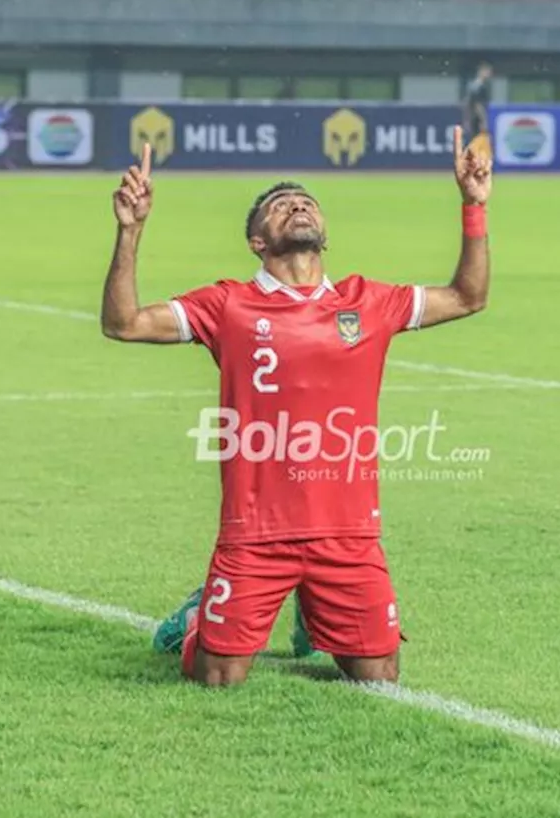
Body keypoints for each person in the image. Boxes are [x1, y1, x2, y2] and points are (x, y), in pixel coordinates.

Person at [101, 128, 491, 686]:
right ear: (257, 241)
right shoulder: (228, 305)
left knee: (378, 677)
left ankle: (312, 607)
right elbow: (123, 323)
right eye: (280, 207)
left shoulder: (368, 301)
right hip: (256, 531)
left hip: (348, 531)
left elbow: (468, 296)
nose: (299, 205)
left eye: (306, 202)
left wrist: (473, 208)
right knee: (217, 678)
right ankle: (198, 615)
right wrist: (130, 231)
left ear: (324, 234)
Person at [462, 62, 494, 158]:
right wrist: (483, 119)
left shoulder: (472, 85)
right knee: (479, 141)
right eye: (487, 72)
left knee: (474, 141)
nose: (489, 74)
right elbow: (478, 105)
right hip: (476, 118)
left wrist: (466, 119)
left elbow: (466, 102)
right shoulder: (480, 86)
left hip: (472, 117)